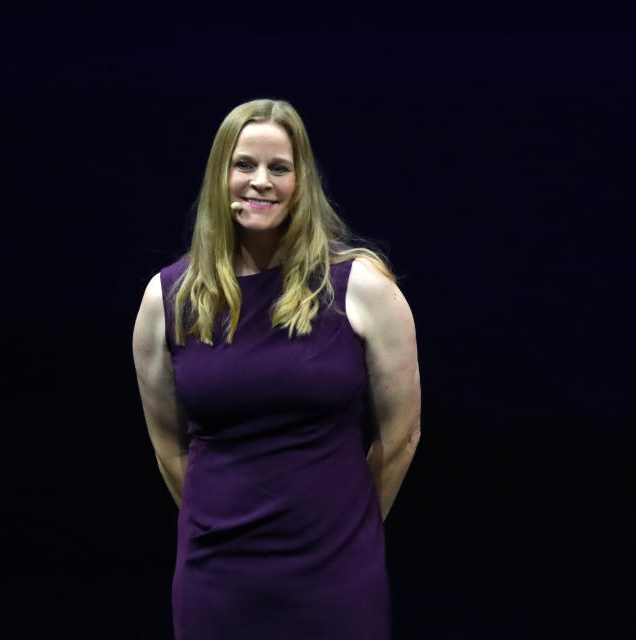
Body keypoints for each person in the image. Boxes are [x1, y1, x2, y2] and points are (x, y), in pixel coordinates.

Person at [132, 98, 421, 639]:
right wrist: (216, 526)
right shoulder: (167, 298)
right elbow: (170, 448)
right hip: (216, 576)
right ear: (221, 175)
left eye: (279, 168)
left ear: (301, 180)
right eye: (243, 165)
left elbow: (401, 437)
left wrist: (347, 531)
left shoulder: (362, 288)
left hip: (337, 574)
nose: (260, 182)